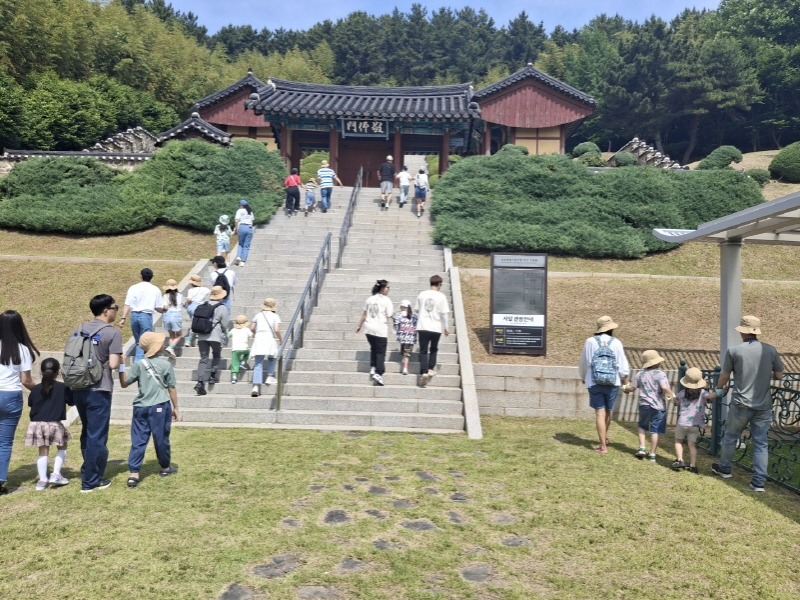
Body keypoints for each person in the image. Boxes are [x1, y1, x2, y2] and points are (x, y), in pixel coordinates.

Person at [712, 315, 784, 492]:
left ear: (743, 332)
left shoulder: (734, 351)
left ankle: (725, 469)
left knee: (730, 437)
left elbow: (724, 375)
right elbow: (779, 375)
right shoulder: (771, 350)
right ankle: (758, 483)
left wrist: (719, 389)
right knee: (761, 443)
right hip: (763, 405)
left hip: (740, 404)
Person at [70, 295, 123, 492]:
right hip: (99, 388)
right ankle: (91, 481)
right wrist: (120, 358)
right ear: (106, 310)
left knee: (88, 431)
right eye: (115, 307)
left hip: (78, 387)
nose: (116, 311)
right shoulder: (112, 333)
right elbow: (113, 364)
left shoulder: (79, 329)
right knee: (97, 434)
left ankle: (88, 470)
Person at [118, 332, 179, 487]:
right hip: (160, 405)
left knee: (138, 440)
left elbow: (124, 383)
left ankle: (134, 473)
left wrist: (121, 366)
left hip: (140, 407)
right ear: (157, 348)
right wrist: (176, 407)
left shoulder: (139, 364)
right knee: (161, 438)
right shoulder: (166, 365)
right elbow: (171, 388)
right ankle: (165, 466)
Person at [578, 315, 630, 455]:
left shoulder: (590, 342)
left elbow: (584, 362)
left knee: (599, 413)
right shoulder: (617, 342)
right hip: (613, 381)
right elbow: (622, 365)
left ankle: (602, 446)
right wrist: (625, 381)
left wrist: (583, 377)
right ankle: (604, 438)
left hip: (594, 381)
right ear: (611, 328)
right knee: (608, 411)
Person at [0, 310, 39, 495]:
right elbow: (26, 381)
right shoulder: (22, 349)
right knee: (5, 442)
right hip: (11, 396)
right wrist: (40, 390)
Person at [25, 357, 73, 490]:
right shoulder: (63, 387)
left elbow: (30, 403)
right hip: (54, 423)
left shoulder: (36, 389)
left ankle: (42, 480)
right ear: (57, 372)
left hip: (38, 424)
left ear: (41, 372)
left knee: (43, 450)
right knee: (62, 447)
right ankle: (56, 474)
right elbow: (71, 401)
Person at [623, 350, 674, 462]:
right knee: (655, 430)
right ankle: (652, 454)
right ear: (657, 362)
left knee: (642, 426)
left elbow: (631, 388)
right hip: (658, 406)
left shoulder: (640, 374)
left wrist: (625, 388)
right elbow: (664, 388)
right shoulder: (661, 374)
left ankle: (642, 448)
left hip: (644, 405)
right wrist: (672, 395)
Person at [673, 367, 719, 473]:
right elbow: (711, 396)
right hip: (695, 424)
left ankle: (680, 460)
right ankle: (693, 465)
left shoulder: (681, 393)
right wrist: (720, 391)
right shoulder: (703, 393)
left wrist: (672, 399)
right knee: (692, 445)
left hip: (682, 423)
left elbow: (676, 402)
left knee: (678, 441)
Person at [119, 268, 163, 363]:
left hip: (134, 315)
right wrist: (165, 310)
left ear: (141, 276)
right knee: (144, 342)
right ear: (152, 277)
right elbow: (158, 307)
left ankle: (139, 363)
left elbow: (127, 303)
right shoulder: (155, 289)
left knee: (138, 341)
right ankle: (139, 364)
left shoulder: (133, 287)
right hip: (146, 316)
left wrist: (123, 318)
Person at [414, 275, 449, 388]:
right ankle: (430, 369)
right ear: (439, 284)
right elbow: (444, 313)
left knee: (423, 350)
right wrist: (446, 327)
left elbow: (416, 310)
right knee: (433, 349)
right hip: (435, 327)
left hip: (423, 326)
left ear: (430, 283)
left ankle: (423, 372)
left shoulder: (422, 294)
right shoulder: (441, 296)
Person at [194, 286, 230, 396]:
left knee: (203, 358)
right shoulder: (222, 307)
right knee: (216, 355)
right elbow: (224, 324)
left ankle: (200, 382)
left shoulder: (202, 305)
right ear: (221, 296)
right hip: (215, 335)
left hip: (202, 335)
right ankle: (212, 376)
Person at [356, 280, 393, 386]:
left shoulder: (370, 299)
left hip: (368, 329)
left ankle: (373, 366)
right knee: (381, 352)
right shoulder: (386, 300)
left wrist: (359, 325)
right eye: (387, 287)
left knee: (374, 348)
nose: (388, 289)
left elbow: (364, 314)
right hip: (380, 329)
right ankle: (379, 373)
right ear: (382, 288)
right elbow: (389, 314)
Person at [250, 298, 282, 397]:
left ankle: (255, 386)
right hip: (269, 338)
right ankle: (270, 376)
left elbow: (252, 328)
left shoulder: (258, 315)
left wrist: (257, 334)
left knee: (258, 363)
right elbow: (276, 329)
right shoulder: (275, 316)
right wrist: (281, 339)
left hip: (259, 338)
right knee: (272, 358)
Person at [184, 274, 210, 346]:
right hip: (200, 307)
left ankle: (189, 340)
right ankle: (197, 337)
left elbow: (189, 299)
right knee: (197, 322)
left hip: (191, 307)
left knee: (193, 322)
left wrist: (185, 302)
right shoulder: (206, 289)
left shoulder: (190, 290)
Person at [393, 300, 417, 376]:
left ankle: (405, 366)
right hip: (411, 337)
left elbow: (396, 326)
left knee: (404, 353)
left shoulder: (398, 315)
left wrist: (398, 334)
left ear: (401, 307)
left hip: (402, 337)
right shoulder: (415, 316)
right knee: (406, 353)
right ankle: (405, 367)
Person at [161, 279, 183, 359]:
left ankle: (171, 351)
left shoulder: (165, 296)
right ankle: (170, 348)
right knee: (179, 335)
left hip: (167, 316)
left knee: (171, 336)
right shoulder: (180, 295)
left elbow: (165, 307)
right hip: (176, 315)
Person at [230, 315, 253, 384]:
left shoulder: (233, 330)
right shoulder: (246, 330)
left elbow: (229, 335)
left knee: (234, 363)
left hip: (235, 350)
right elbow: (251, 335)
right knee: (249, 353)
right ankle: (243, 362)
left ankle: (234, 377)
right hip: (244, 348)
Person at [233, 199, 255, 266]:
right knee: (246, 246)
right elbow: (252, 221)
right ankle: (243, 261)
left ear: (241, 205)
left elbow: (236, 220)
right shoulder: (250, 211)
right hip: (249, 228)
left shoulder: (240, 211)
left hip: (242, 227)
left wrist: (236, 228)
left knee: (240, 244)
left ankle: (239, 256)